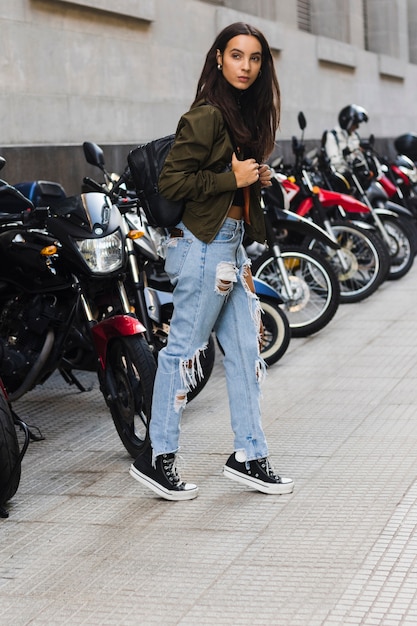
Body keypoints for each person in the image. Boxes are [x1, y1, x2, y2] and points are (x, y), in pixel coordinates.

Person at [129, 22, 294, 501]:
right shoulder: (205, 115)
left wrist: (252, 178)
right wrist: (230, 177)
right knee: (182, 353)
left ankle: (249, 455)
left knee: (245, 355)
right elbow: (174, 184)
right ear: (219, 58)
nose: (246, 66)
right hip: (202, 248)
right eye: (237, 56)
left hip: (230, 247)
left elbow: (226, 179)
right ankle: (156, 458)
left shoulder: (243, 114)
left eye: (255, 58)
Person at [324, 104, 369, 175]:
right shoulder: (333, 136)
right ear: (348, 123)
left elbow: (359, 155)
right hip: (343, 176)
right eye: (356, 124)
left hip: (358, 175)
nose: (357, 127)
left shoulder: (354, 135)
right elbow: (335, 161)